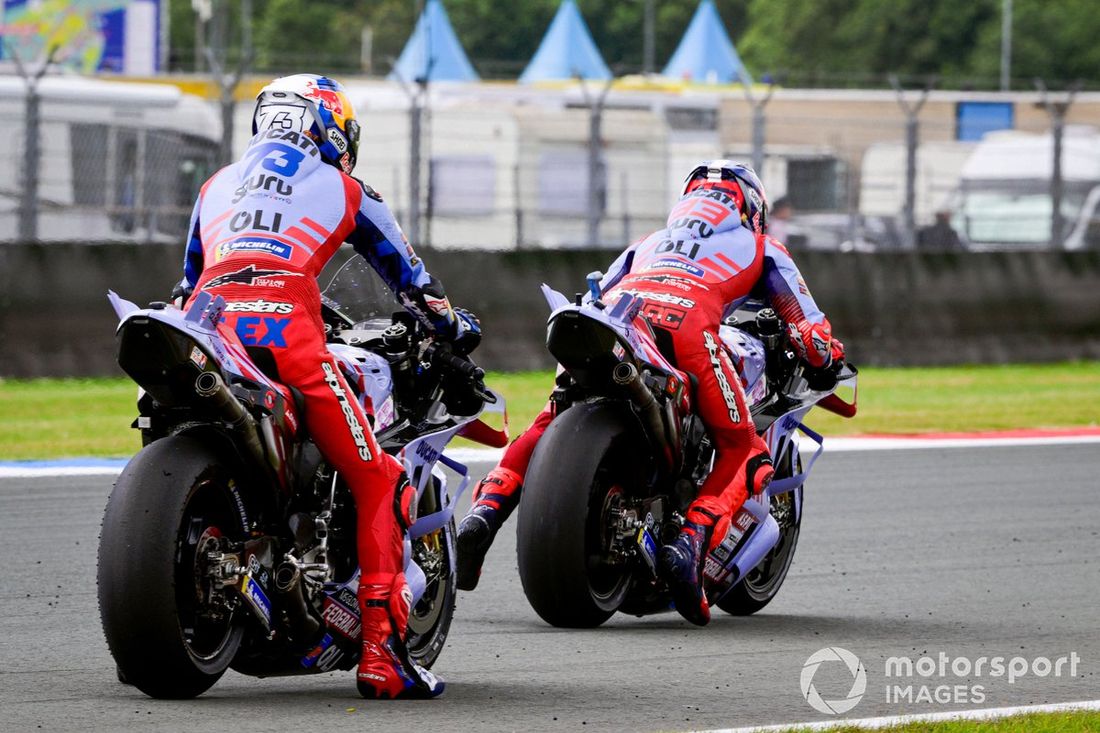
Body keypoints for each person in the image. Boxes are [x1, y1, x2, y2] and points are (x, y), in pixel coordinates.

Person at [175, 74, 480, 698]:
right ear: (330, 127)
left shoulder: (215, 186)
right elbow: (416, 285)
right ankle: (381, 656)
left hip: (207, 331)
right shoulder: (347, 189)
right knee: (379, 479)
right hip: (289, 333)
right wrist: (454, 326)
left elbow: (188, 284)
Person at [456, 160, 843, 626]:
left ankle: (483, 513)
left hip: (613, 324)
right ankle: (691, 544)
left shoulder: (648, 243)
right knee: (746, 450)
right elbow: (811, 331)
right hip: (689, 331)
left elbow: (606, 290)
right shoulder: (762, 247)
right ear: (752, 208)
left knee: (547, 423)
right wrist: (827, 359)